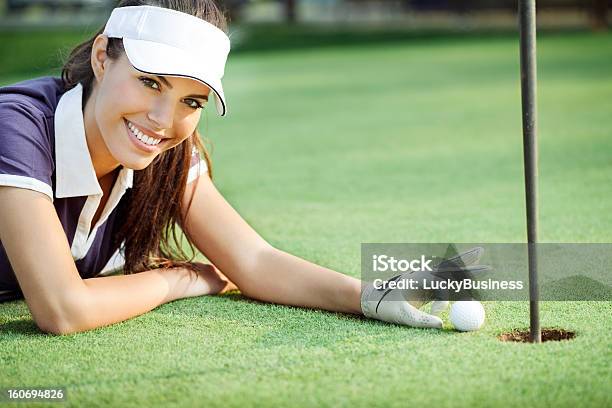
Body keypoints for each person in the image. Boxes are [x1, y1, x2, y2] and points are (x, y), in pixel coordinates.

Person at [0, 0, 448, 335]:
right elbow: (63, 308)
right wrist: (176, 279)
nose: (162, 118)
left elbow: (254, 261)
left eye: (190, 101)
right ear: (102, 57)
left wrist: (369, 295)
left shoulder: (165, 150)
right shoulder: (15, 127)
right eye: (150, 81)